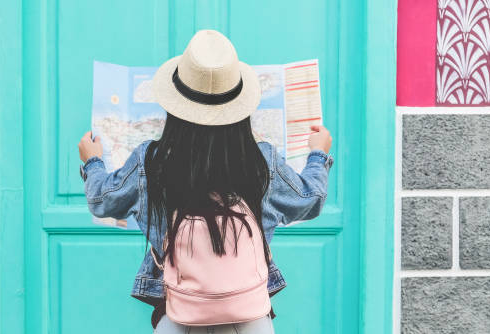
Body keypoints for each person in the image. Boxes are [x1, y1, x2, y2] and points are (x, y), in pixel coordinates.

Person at [78, 29, 333, 333]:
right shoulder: (261, 161)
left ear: (175, 105)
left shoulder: (152, 162)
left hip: (179, 314)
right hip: (249, 317)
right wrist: (318, 155)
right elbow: (310, 200)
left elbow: (101, 201)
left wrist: (92, 161)